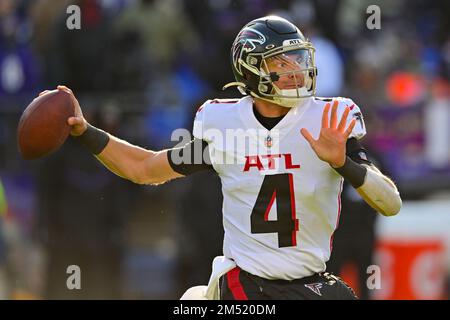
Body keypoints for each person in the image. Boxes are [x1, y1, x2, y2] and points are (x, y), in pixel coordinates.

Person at [46, 16, 402, 300]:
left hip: (311, 282)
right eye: (282, 61)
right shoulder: (225, 126)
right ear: (253, 70)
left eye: (298, 59)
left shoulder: (329, 120)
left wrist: (344, 163)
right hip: (248, 284)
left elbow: (390, 203)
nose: (297, 69)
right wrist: (86, 131)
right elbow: (144, 168)